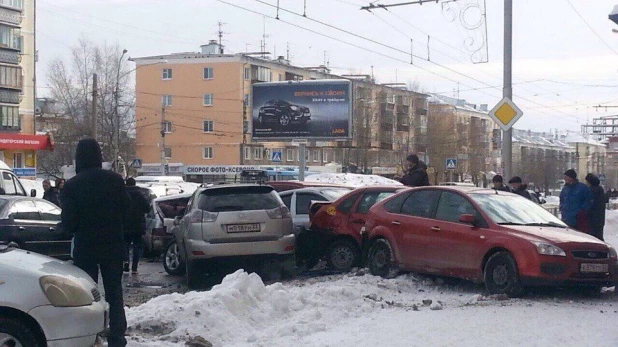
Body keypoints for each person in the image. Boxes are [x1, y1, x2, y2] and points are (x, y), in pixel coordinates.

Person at [60, 139, 130, 347]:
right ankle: (117, 337)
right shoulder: (116, 180)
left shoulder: (72, 185)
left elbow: (69, 222)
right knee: (114, 292)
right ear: (99, 157)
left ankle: (89, 336)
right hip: (113, 245)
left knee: (87, 295)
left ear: (78, 158)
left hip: (86, 246)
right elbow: (126, 210)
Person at [124, 177, 150, 274]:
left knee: (125, 244)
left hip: (125, 224)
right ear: (135, 184)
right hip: (138, 224)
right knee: (137, 245)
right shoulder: (140, 194)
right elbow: (148, 208)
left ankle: (125, 262)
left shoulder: (123, 194)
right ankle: (134, 268)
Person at [585, 173, 605, 241]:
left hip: (592, 218)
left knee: (593, 237)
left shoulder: (591, 190)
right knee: (599, 236)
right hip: (600, 218)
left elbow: (589, 204)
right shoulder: (600, 189)